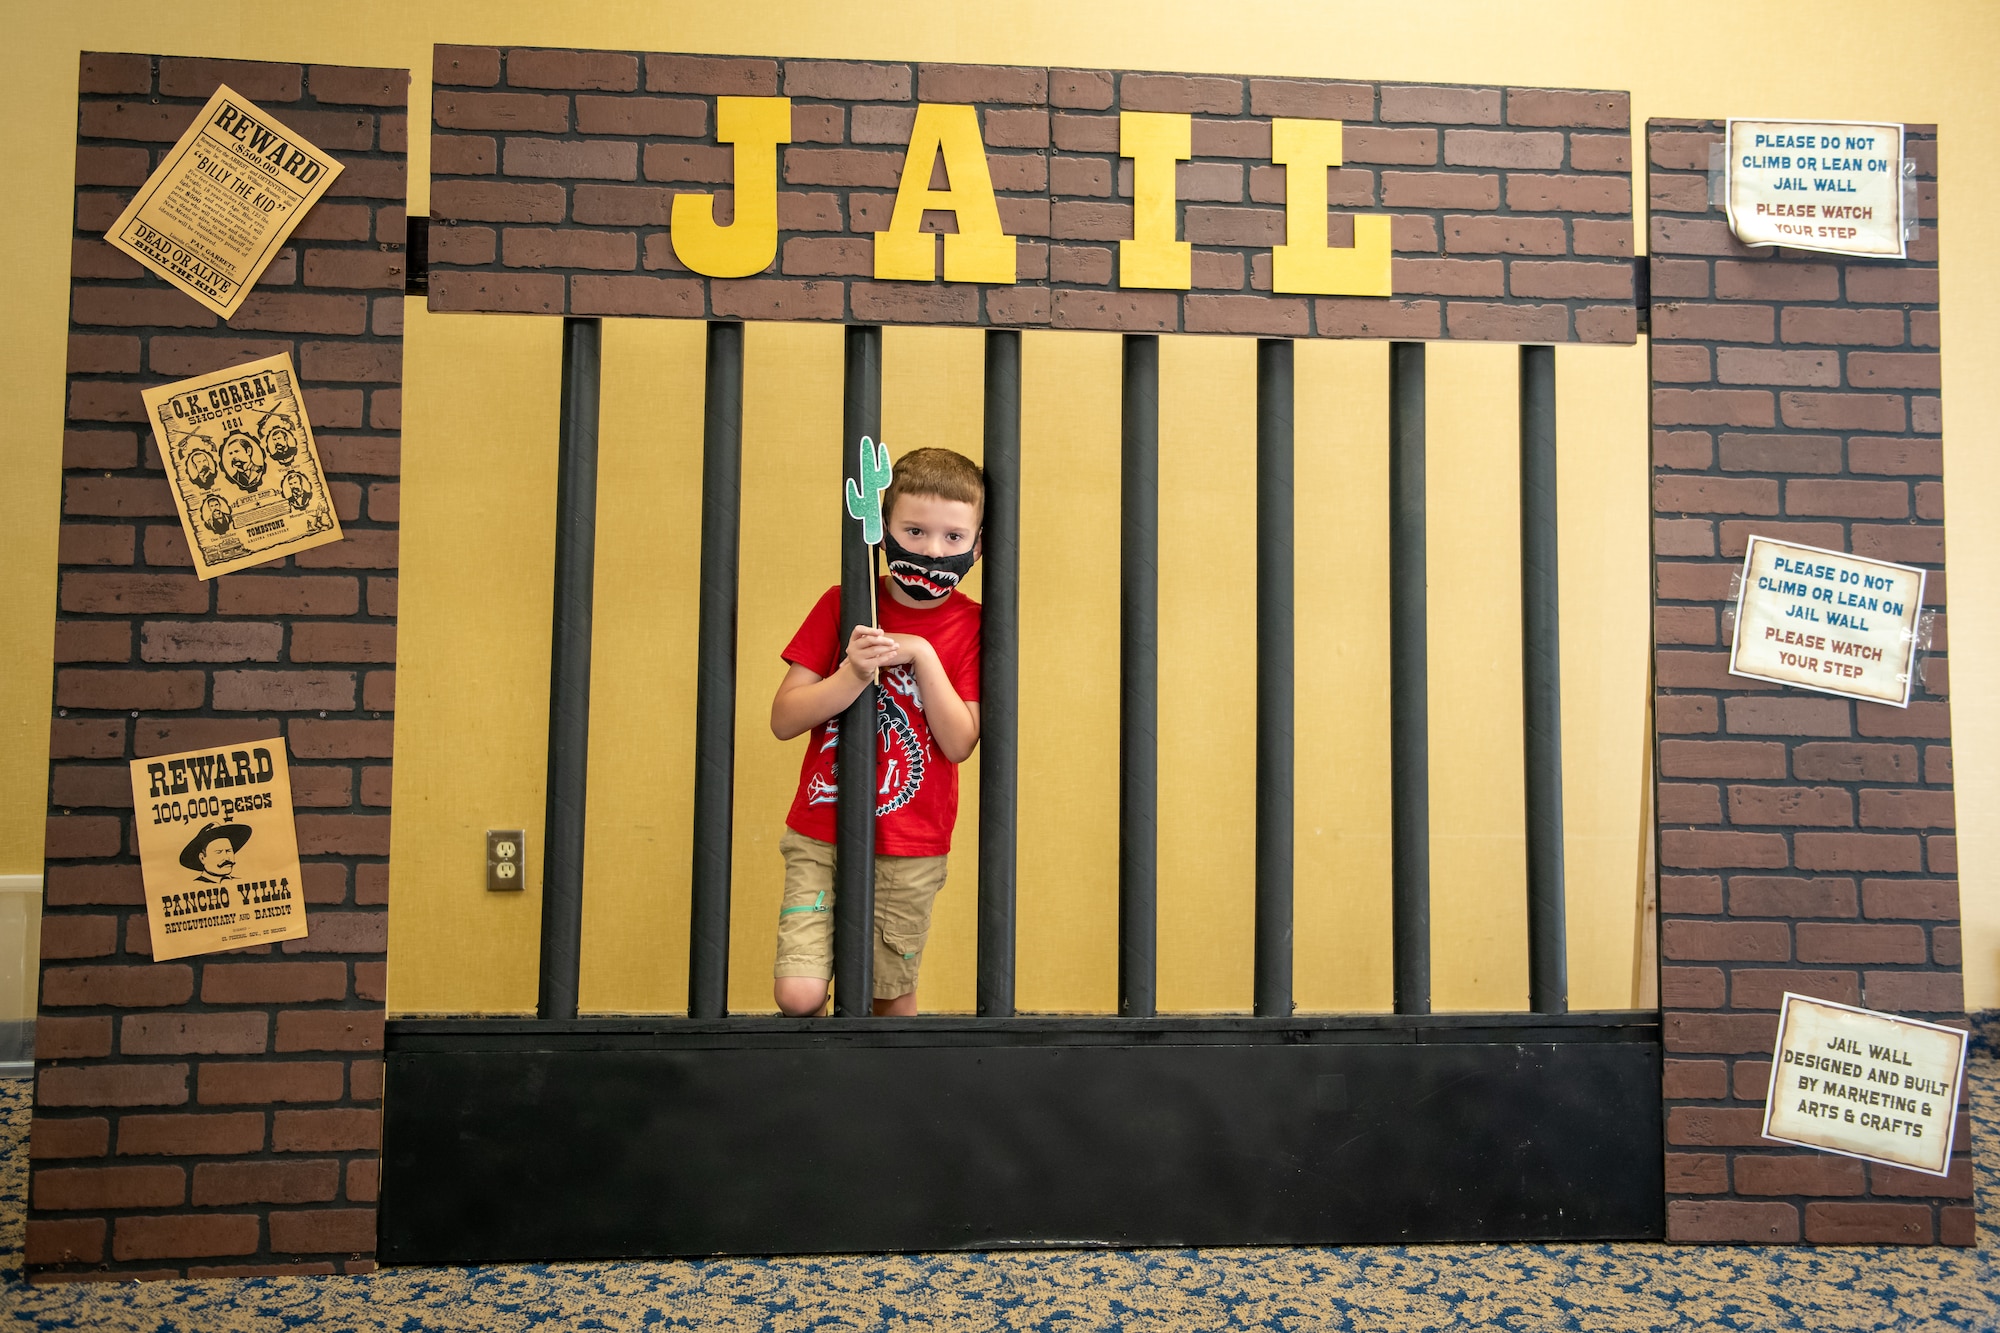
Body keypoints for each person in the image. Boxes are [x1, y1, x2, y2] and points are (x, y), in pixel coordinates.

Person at [769, 447, 984, 1017]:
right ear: (882, 531)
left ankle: (887, 1102)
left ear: (978, 545)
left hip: (909, 841)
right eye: (913, 531)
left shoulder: (974, 625)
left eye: (952, 538)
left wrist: (920, 654)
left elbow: (960, 742)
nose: (932, 550)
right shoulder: (843, 605)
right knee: (799, 993)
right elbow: (785, 719)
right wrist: (853, 672)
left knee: (885, 993)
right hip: (821, 828)